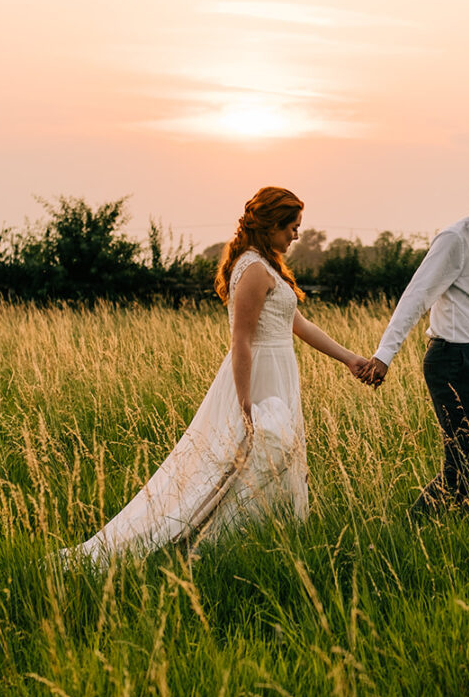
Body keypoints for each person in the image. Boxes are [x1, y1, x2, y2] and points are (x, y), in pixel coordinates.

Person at [56, 186, 367, 564]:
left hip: (279, 370)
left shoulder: (266, 265)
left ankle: (267, 536)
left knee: (271, 460)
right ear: (270, 225)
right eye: (292, 227)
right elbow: (241, 341)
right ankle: (216, 543)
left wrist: (349, 359)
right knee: (242, 463)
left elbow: (298, 325)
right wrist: (243, 403)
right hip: (258, 375)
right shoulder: (252, 269)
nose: (296, 235)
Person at [356, 168, 469, 511]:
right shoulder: (454, 239)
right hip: (450, 358)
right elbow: (416, 296)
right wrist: (384, 354)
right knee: (466, 460)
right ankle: (415, 524)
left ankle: (466, 530)